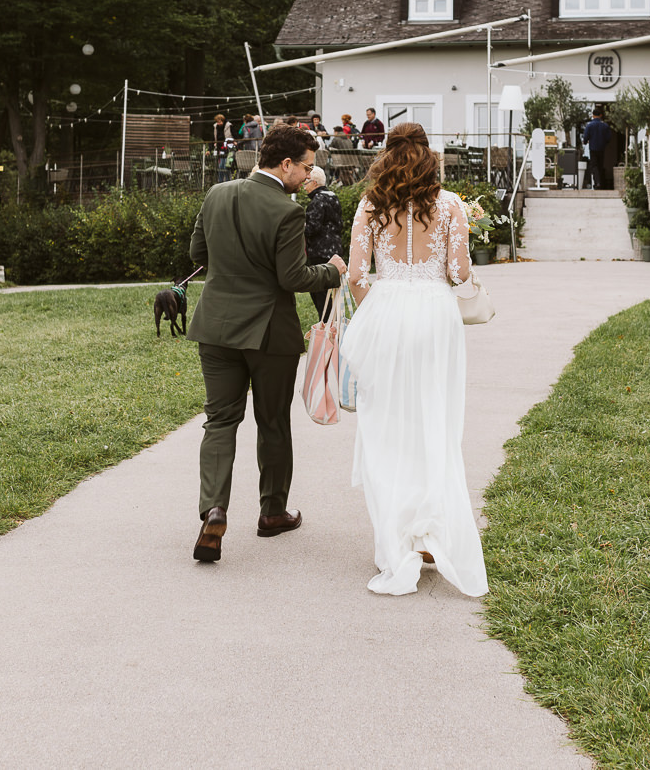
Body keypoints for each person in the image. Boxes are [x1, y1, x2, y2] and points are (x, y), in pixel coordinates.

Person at [186, 125, 346, 562]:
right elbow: (292, 278)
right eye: (308, 168)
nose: (310, 177)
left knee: (219, 420)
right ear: (287, 163)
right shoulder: (287, 210)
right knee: (272, 420)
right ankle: (272, 514)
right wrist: (332, 270)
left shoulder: (217, 194)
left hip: (216, 328)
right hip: (268, 333)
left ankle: (214, 510)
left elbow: (198, 255)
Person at [342, 123, 488, 598]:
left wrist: (377, 315)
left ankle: (396, 541)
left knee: (387, 430)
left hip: (386, 312)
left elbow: (356, 275)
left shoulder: (371, 204)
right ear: (429, 156)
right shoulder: (450, 206)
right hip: (433, 314)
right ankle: (429, 535)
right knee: (434, 424)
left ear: (386, 155)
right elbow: (460, 272)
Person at [301, 165, 342, 319]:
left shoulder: (317, 200)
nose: (304, 187)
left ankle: (325, 327)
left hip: (320, 252)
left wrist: (301, 227)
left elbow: (312, 228)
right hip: (335, 250)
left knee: (320, 295)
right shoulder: (333, 197)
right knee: (333, 294)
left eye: (306, 183)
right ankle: (334, 323)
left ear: (315, 183)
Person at [581, 105, 613, 188]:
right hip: (602, 148)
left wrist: (585, 142)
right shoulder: (605, 126)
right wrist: (604, 143)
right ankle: (601, 183)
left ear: (593, 115)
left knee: (594, 165)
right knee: (600, 165)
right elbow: (609, 137)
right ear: (601, 115)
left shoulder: (590, 125)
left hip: (593, 148)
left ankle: (597, 182)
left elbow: (586, 137)